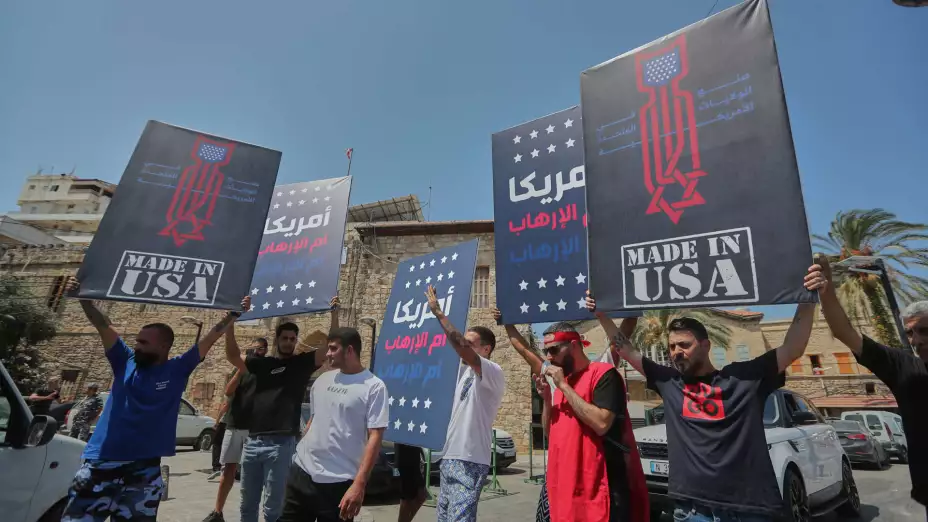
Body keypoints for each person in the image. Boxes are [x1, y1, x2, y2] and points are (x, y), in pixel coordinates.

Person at [586, 264, 821, 522]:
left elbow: (793, 348)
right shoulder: (669, 382)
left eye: (684, 345)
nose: (676, 352)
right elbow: (626, 349)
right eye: (672, 346)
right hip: (691, 510)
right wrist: (600, 314)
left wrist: (807, 298)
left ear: (706, 345)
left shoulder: (743, 379)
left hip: (748, 509)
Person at [61, 276, 248, 522]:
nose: (136, 345)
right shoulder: (123, 361)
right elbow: (103, 325)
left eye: (143, 342)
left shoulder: (178, 369)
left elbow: (210, 338)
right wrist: (84, 300)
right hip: (101, 463)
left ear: (163, 347)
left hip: (144, 470)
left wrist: (233, 314)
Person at [495, 307, 647, 522]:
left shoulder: (602, 372)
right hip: (563, 484)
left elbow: (601, 424)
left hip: (599, 483)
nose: (548, 357)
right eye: (546, 351)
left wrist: (564, 387)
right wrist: (506, 322)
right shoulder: (555, 379)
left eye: (554, 350)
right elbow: (550, 432)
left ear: (574, 345)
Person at [813, 257, 928, 514]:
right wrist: (827, 290)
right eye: (910, 333)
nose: (916, 340)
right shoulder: (905, 367)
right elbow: (845, 333)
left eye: (925, 331)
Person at [225, 297, 338, 522]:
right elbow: (232, 356)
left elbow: (328, 348)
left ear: (296, 341)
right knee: (247, 505)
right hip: (253, 443)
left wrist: (334, 314)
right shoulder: (261, 364)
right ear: (277, 340)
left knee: (273, 508)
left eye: (292, 339)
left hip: (282, 444)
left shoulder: (301, 364)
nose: (288, 342)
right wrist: (231, 322)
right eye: (285, 338)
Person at [280, 327, 389, 522]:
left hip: (339, 482)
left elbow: (375, 436)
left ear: (349, 351)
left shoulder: (374, 386)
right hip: (301, 473)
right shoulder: (322, 380)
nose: (327, 353)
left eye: (332, 348)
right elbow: (314, 420)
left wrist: (359, 485)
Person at [424, 285, 505, 522]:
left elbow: (459, 346)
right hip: (449, 456)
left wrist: (439, 313)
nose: (463, 347)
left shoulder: (493, 372)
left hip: (469, 459)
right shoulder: (463, 374)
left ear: (486, 349)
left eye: (470, 343)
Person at [203, 335, 266, 522]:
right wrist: (240, 370)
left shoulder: (266, 370)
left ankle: (248, 514)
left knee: (251, 472)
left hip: (253, 428)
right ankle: (217, 511)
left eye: (260, 348)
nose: (256, 351)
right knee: (227, 470)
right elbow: (228, 392)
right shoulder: (240, 369)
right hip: (234, 424)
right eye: (254, 348)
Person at [395, 443, 427, 522]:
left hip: (415, 466)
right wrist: (396, 471)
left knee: (422, 496)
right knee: (406, 500)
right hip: (404, 465)